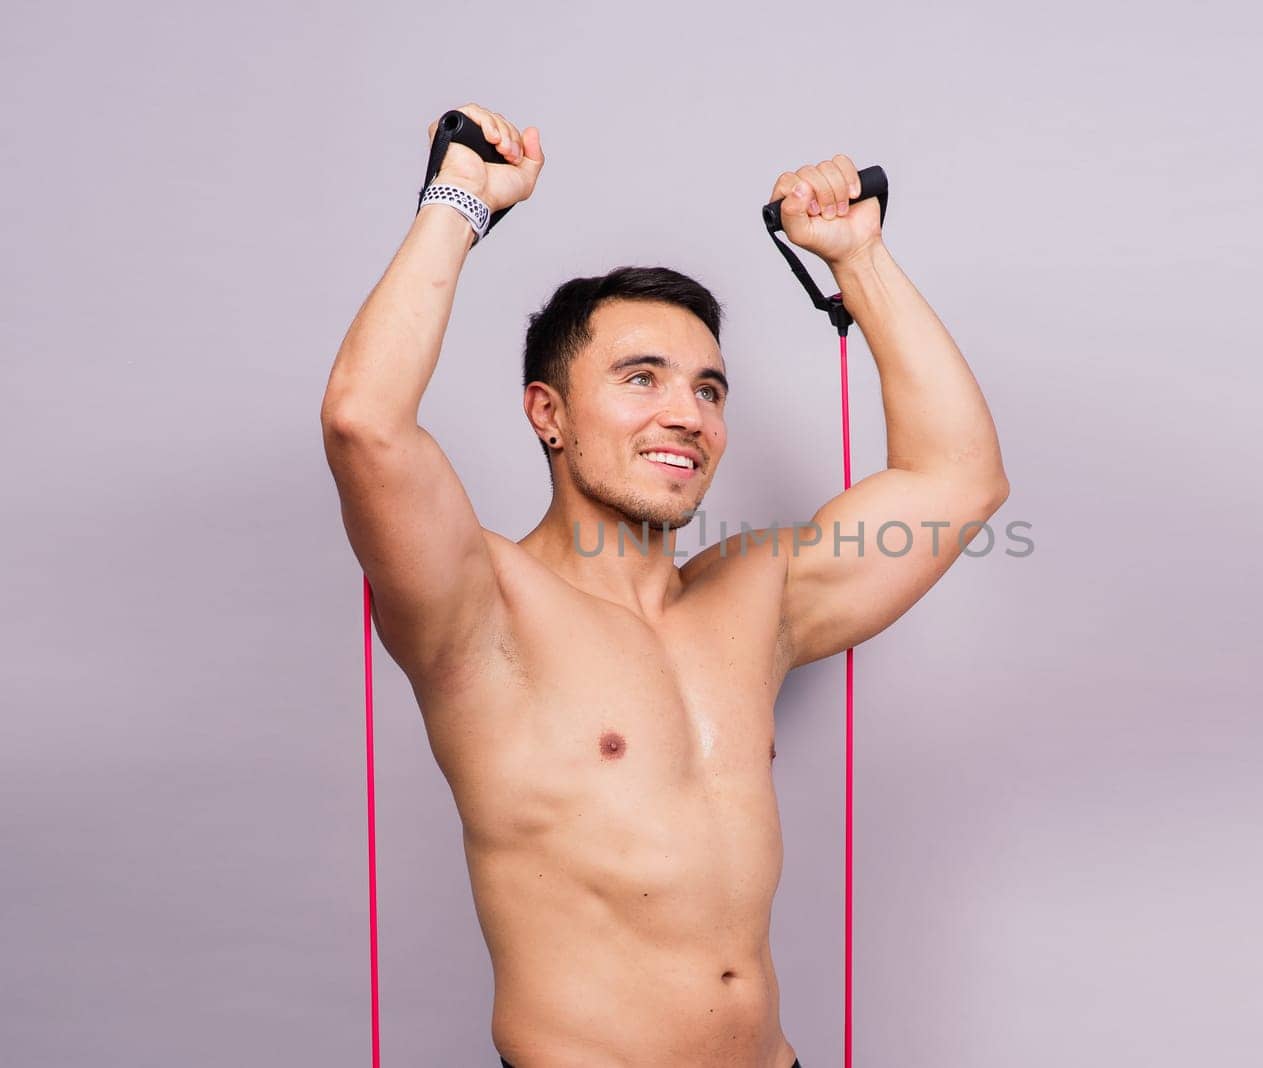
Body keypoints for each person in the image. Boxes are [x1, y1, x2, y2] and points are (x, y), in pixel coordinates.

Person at [320, 102, 1009, 1067]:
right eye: (641, 379)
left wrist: (858, 261)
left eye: (709, 389)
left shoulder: (752, 595)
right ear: (548, 413)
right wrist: (459, 199)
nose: (686, 414)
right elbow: (365, 423)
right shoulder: (480, 606)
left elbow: (959, 481)